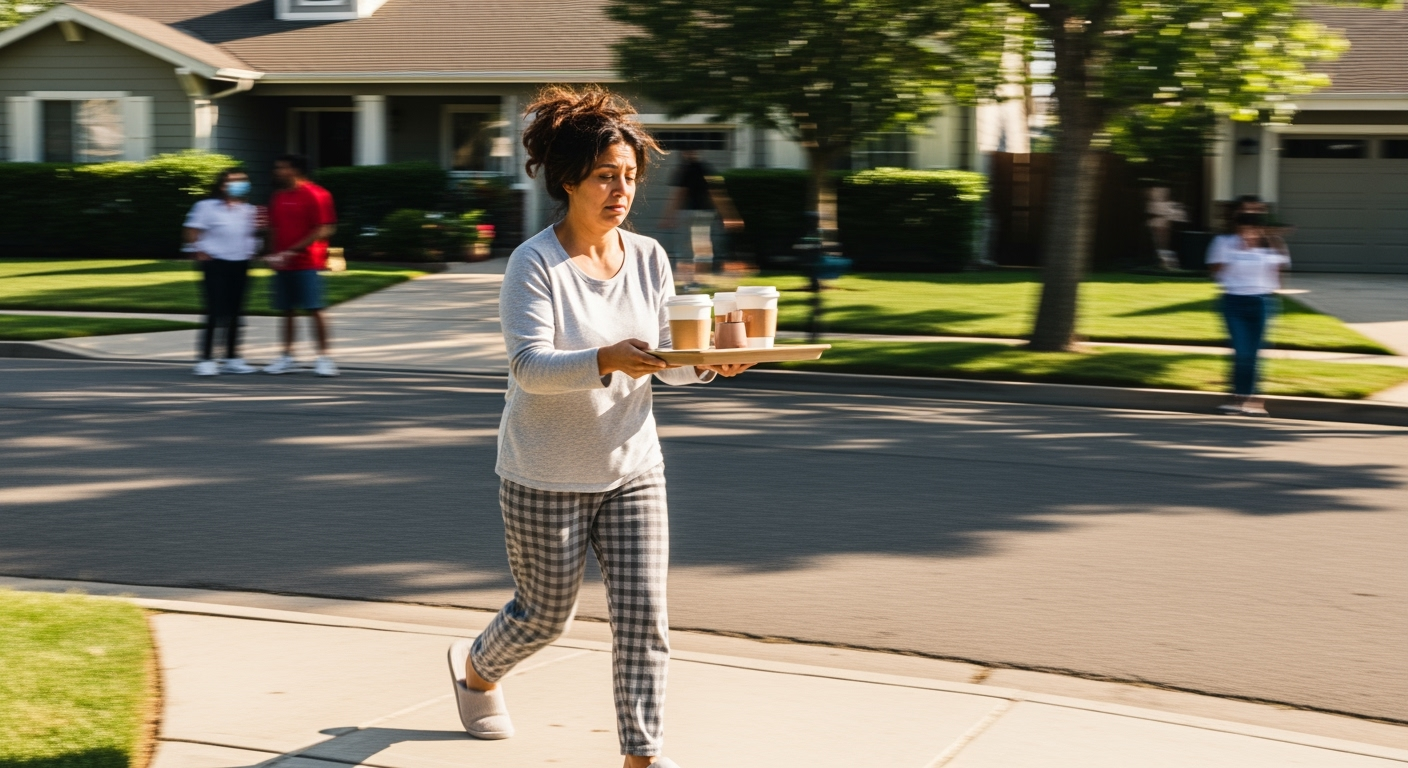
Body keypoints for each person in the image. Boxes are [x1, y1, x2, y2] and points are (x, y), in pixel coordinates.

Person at [444, 86, 750, 768]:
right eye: (607, 176)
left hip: (632, 467)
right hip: (543, 470)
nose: (621, 190)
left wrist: (708, 366)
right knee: (544, 616)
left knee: (644, 618)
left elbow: (663, 361)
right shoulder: (535, 264)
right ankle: (476, 672)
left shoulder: (648, 258)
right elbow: (529, 367)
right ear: (569, 180)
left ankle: (641, 756)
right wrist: (605, 359)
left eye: (630, 178)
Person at [1206, 212, 1290, 416]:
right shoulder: (1225, 244)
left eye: (1253, 230)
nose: (1248, 234)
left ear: (1260, 230)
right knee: (1241, 352)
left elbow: (1280, 272)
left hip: (1261, 302)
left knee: (1253, 354)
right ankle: (1237, 399)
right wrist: (1234, 256)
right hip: (1233, 301)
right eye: (1243, 230)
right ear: (1237, 229)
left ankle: (1252, 401)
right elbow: (1214, 271)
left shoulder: (1270, 246)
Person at [263, 154, 338, 377]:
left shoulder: (317, 194)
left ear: (294, 170)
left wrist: (291, 251)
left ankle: (324, 358)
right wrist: (272, 254)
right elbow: (273, 229)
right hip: (283, 264)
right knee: (286, 311)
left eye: (281, 167)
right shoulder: (277, 197)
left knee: (315, 309)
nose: (277, 171)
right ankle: (287, 357)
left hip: (308, 263)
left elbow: (324, 229)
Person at [183, 168, 260, 376]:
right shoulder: (206, 207)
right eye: (233, 181)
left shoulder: (249, 210)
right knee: (215, 311)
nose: (239, 185)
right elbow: (191, 230)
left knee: (236, 312)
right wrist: (196, 250)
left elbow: (254, 235)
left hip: (241, 263)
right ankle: (206, 359)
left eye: (243, 181)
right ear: (222, 185)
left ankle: (232, 358)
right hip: (215, 263)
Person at [659, 149, 716, 287]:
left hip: (689, 213)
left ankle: (690, 281)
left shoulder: (684, 170)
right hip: (706, 212)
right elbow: (716, 191)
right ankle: (700, 279)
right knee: (703, 246)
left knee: (686, 247)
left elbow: (679, 194)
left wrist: (668, 216)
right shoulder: (706, 168)